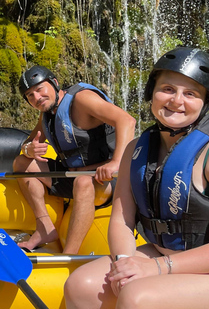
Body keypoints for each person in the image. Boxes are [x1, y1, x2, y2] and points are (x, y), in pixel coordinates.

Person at [64, 47, 209, 309]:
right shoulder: (135, 150)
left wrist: (157, 268)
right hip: (162, 254)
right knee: (80, 287)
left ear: (205, 102)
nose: (176, 101)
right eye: (167, 89)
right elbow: (122, 220)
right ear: (152, 92)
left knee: (137, 300)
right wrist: (124, 263)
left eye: (190, 94)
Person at [14, 66, 136, 253]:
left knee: (82, 182)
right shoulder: (47, 113)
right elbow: (28, 143)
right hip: (72, 174)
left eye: (39, 89)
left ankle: (68, 254)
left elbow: (127, 121)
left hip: (108, 178)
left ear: (54, 83)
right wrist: (28, 149)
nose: (37, 97)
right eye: (30, 95)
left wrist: (116, 163)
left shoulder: (81, 99)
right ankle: (44, 228)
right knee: (21, 163)